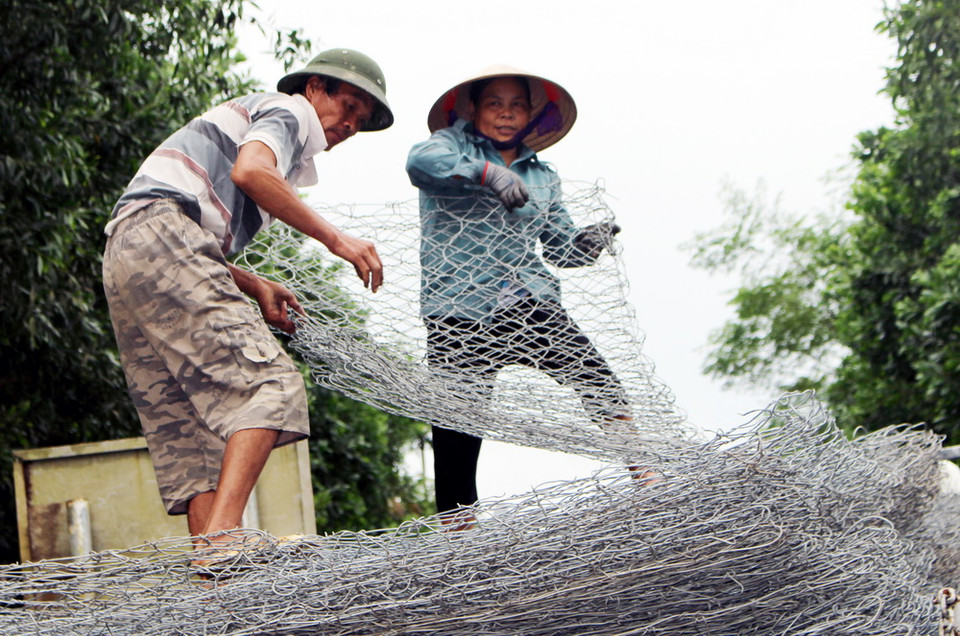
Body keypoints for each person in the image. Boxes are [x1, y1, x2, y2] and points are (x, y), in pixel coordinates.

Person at [101, 48, 393, 557]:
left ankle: (215, 589)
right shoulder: (289, 113)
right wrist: (337, 240)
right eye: (348, 106)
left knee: (192, 436)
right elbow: (251, 173)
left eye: (362, 121)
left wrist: (251, 283)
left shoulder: (278, 132)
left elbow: (177, 229)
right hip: (161, 236)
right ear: (315, 87)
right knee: (272, 386)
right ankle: (223, 539)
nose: (350, 124)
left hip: (126, 255)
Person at [406, 66, 628, 522]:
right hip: (459, 309)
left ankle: (649, 474)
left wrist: (587, 243)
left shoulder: (544, 175)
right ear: (473, 109)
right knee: (457, 433)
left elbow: (560, 248)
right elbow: (418, 165)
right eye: (495, 104)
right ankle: (459, 539)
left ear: (532, 114)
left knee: (600, 382)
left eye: (517, 105)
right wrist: (486, 173)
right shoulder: (450, 146)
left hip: (528, 302)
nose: (506, 114)